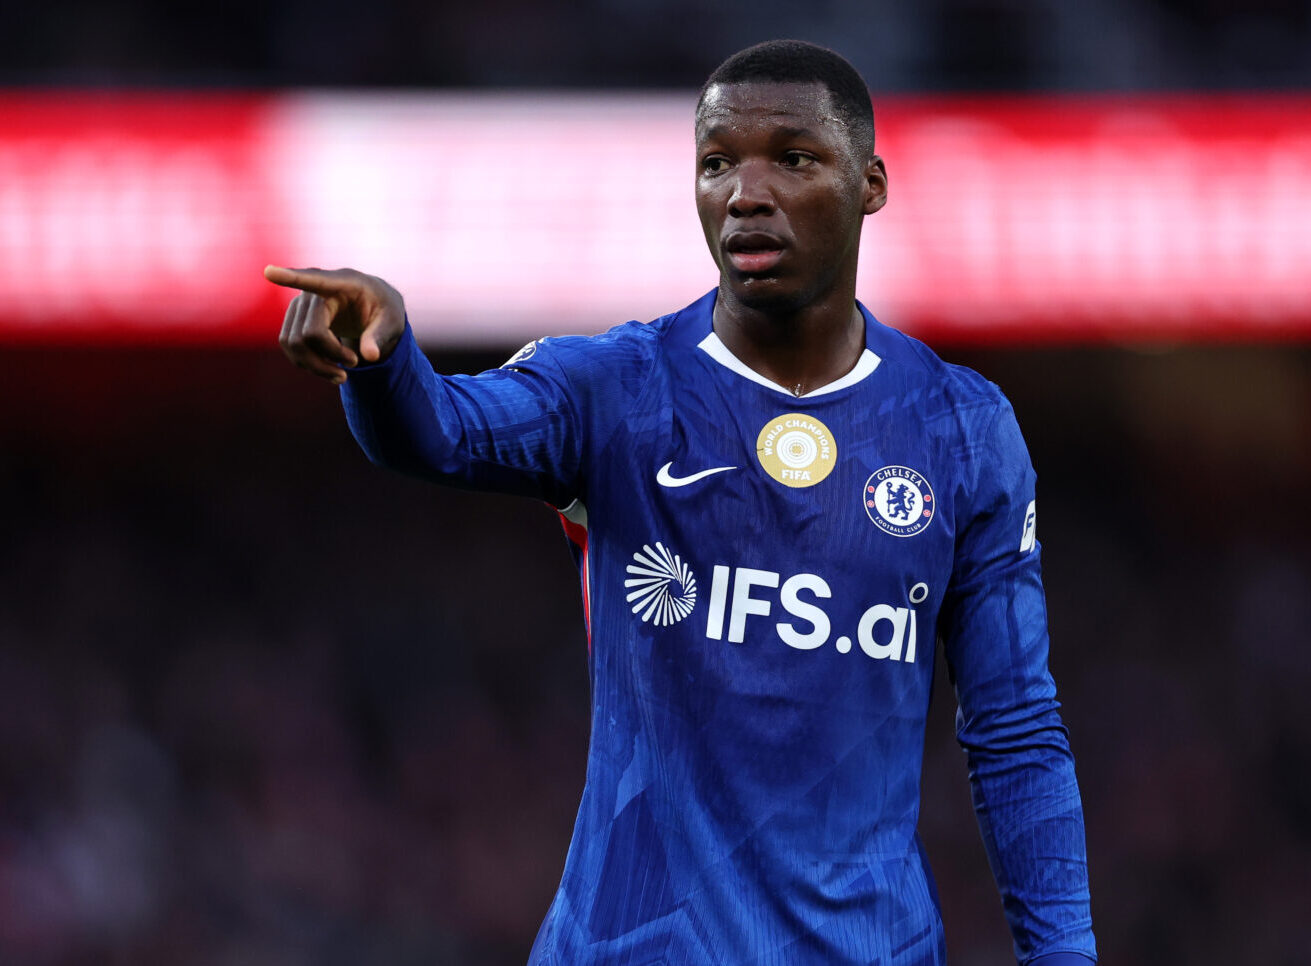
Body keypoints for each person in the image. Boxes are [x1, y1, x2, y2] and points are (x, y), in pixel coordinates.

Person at [265, 39, 1096, 966]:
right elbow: (440, 432)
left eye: (792, 157)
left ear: (870, 184)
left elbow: (1015, 730)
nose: (745, 190)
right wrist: (382, 363)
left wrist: (1063, 955)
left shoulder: (960, 428)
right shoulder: (618, 388)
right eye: (716, 162)